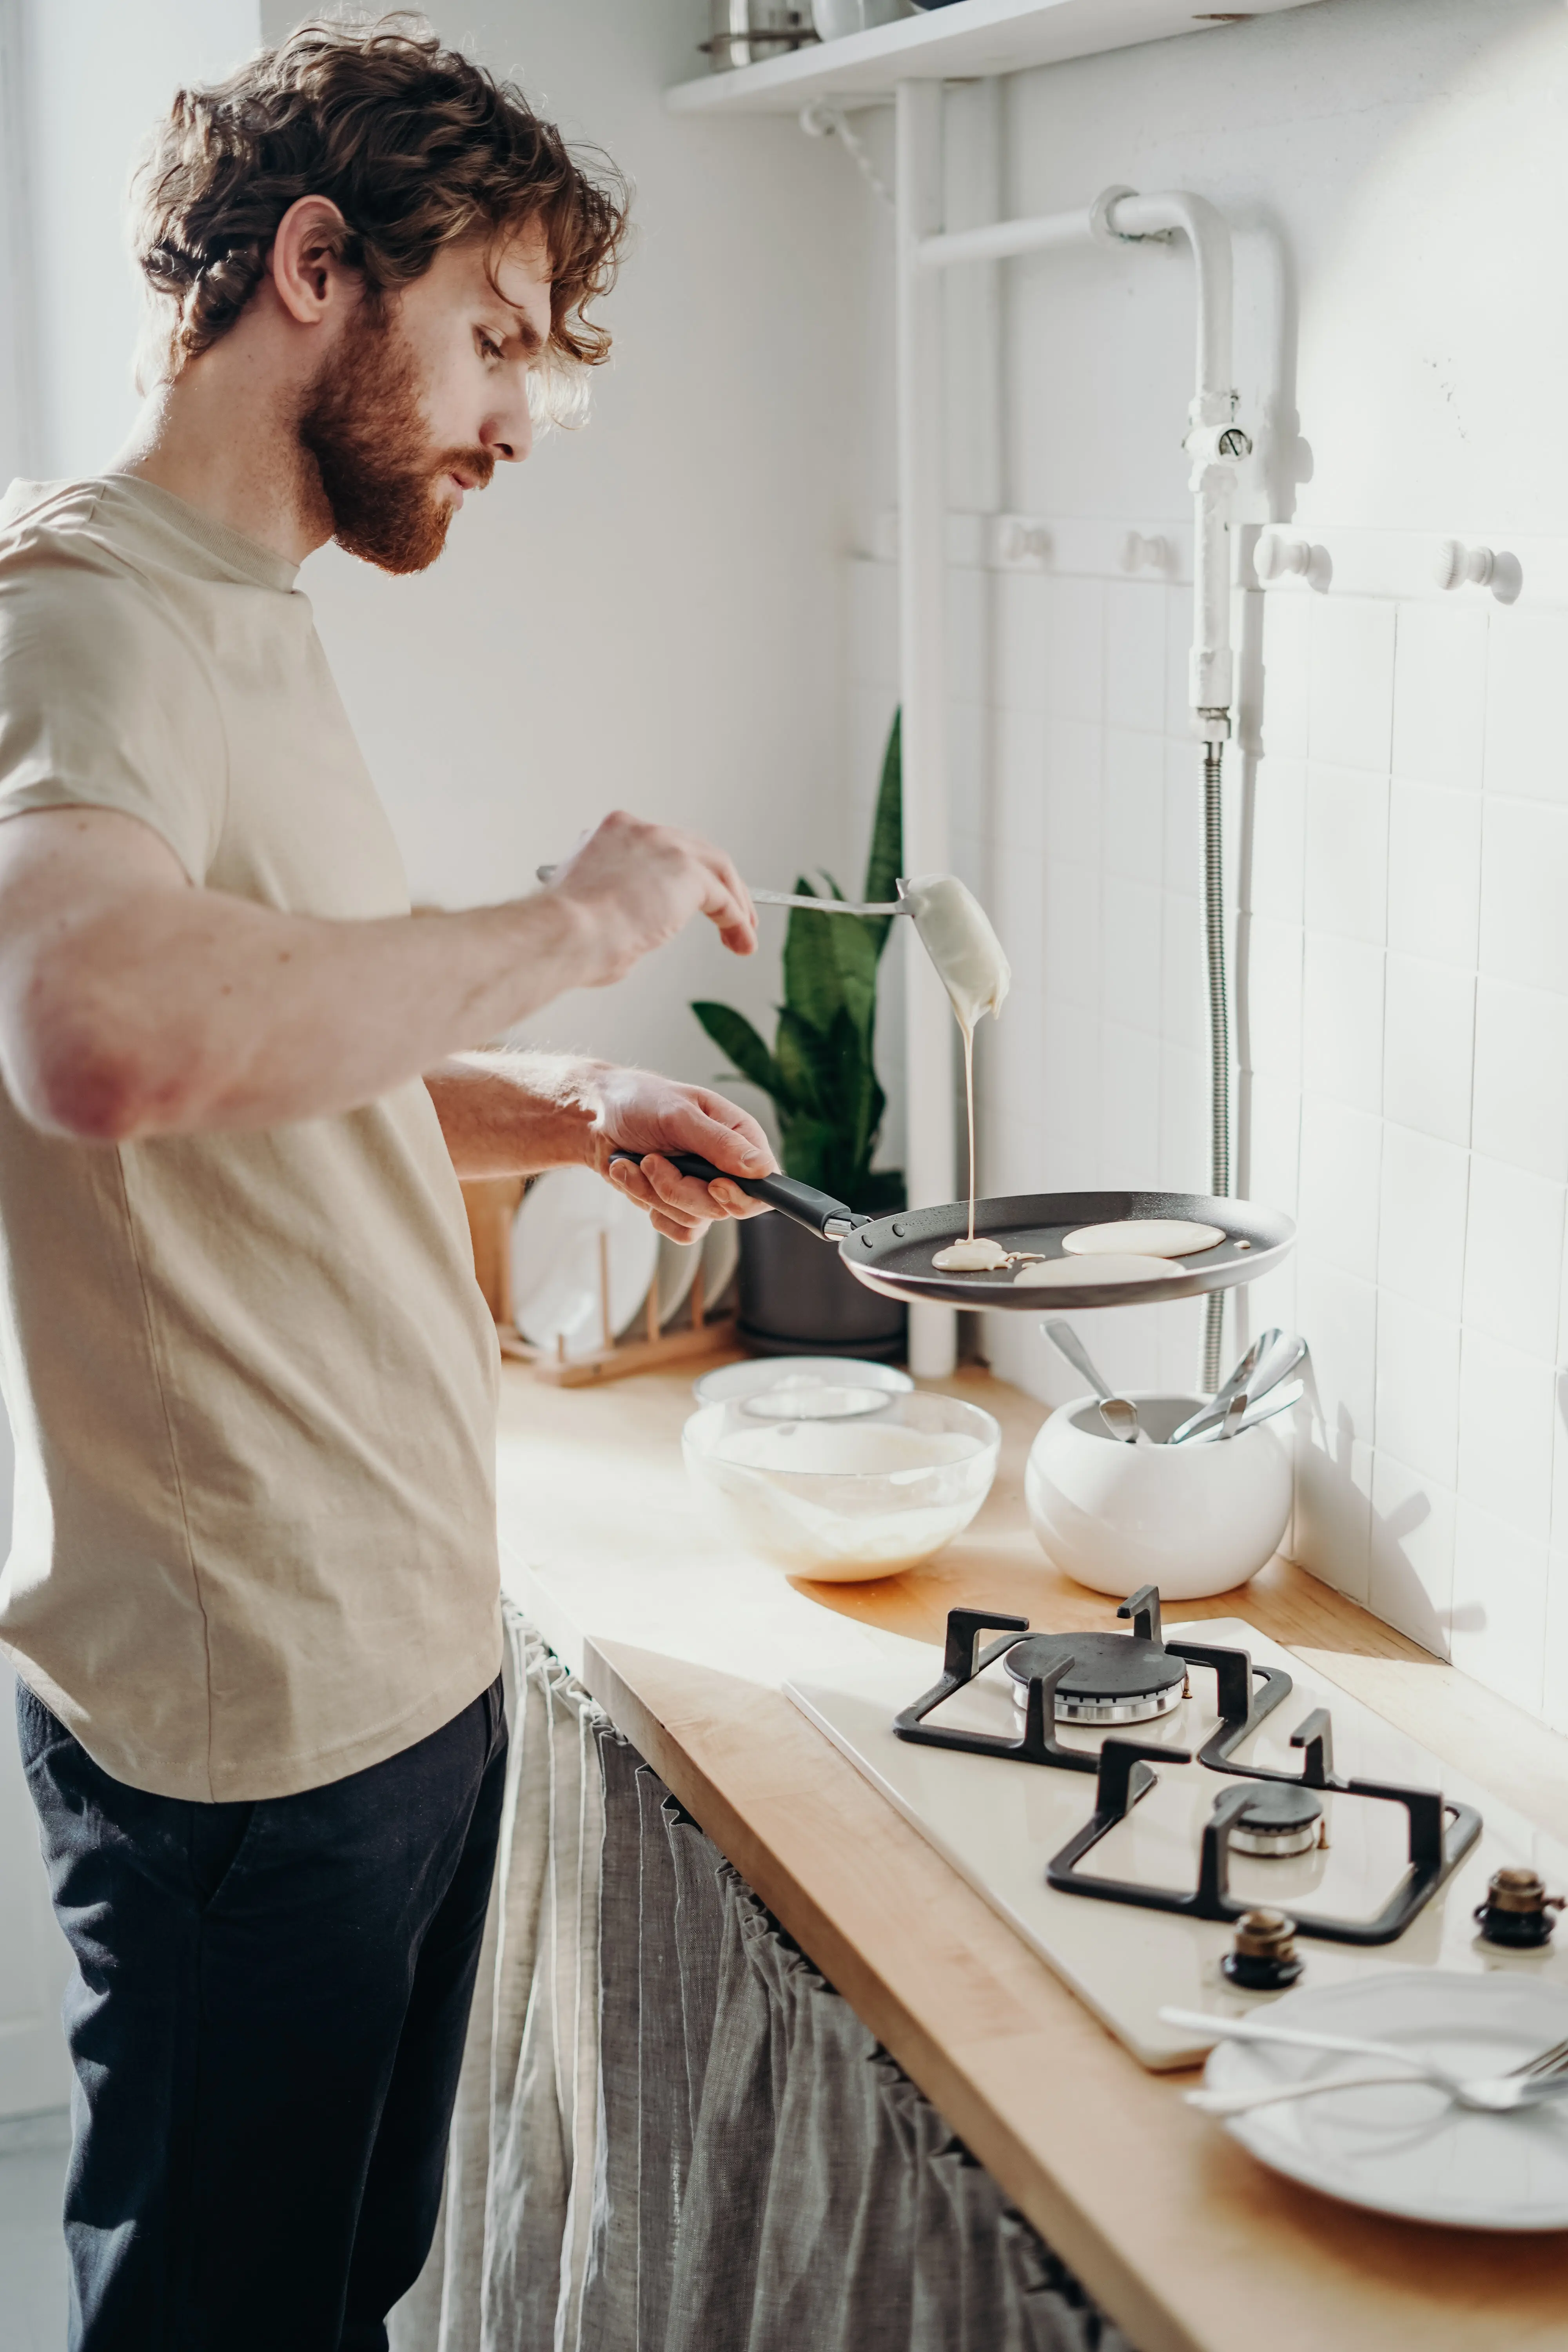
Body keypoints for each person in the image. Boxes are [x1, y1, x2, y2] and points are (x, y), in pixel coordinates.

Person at [0, 20, 772, 2349]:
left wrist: (547, 1094)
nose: (524, 416)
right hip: (259, 1707)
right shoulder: (85, 619)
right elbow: (99, 1037)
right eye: (497, 337)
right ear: (315, 264)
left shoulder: (242, 616)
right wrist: (584, 914)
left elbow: (266, 1047)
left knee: (338, 2297)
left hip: (390, 1658)